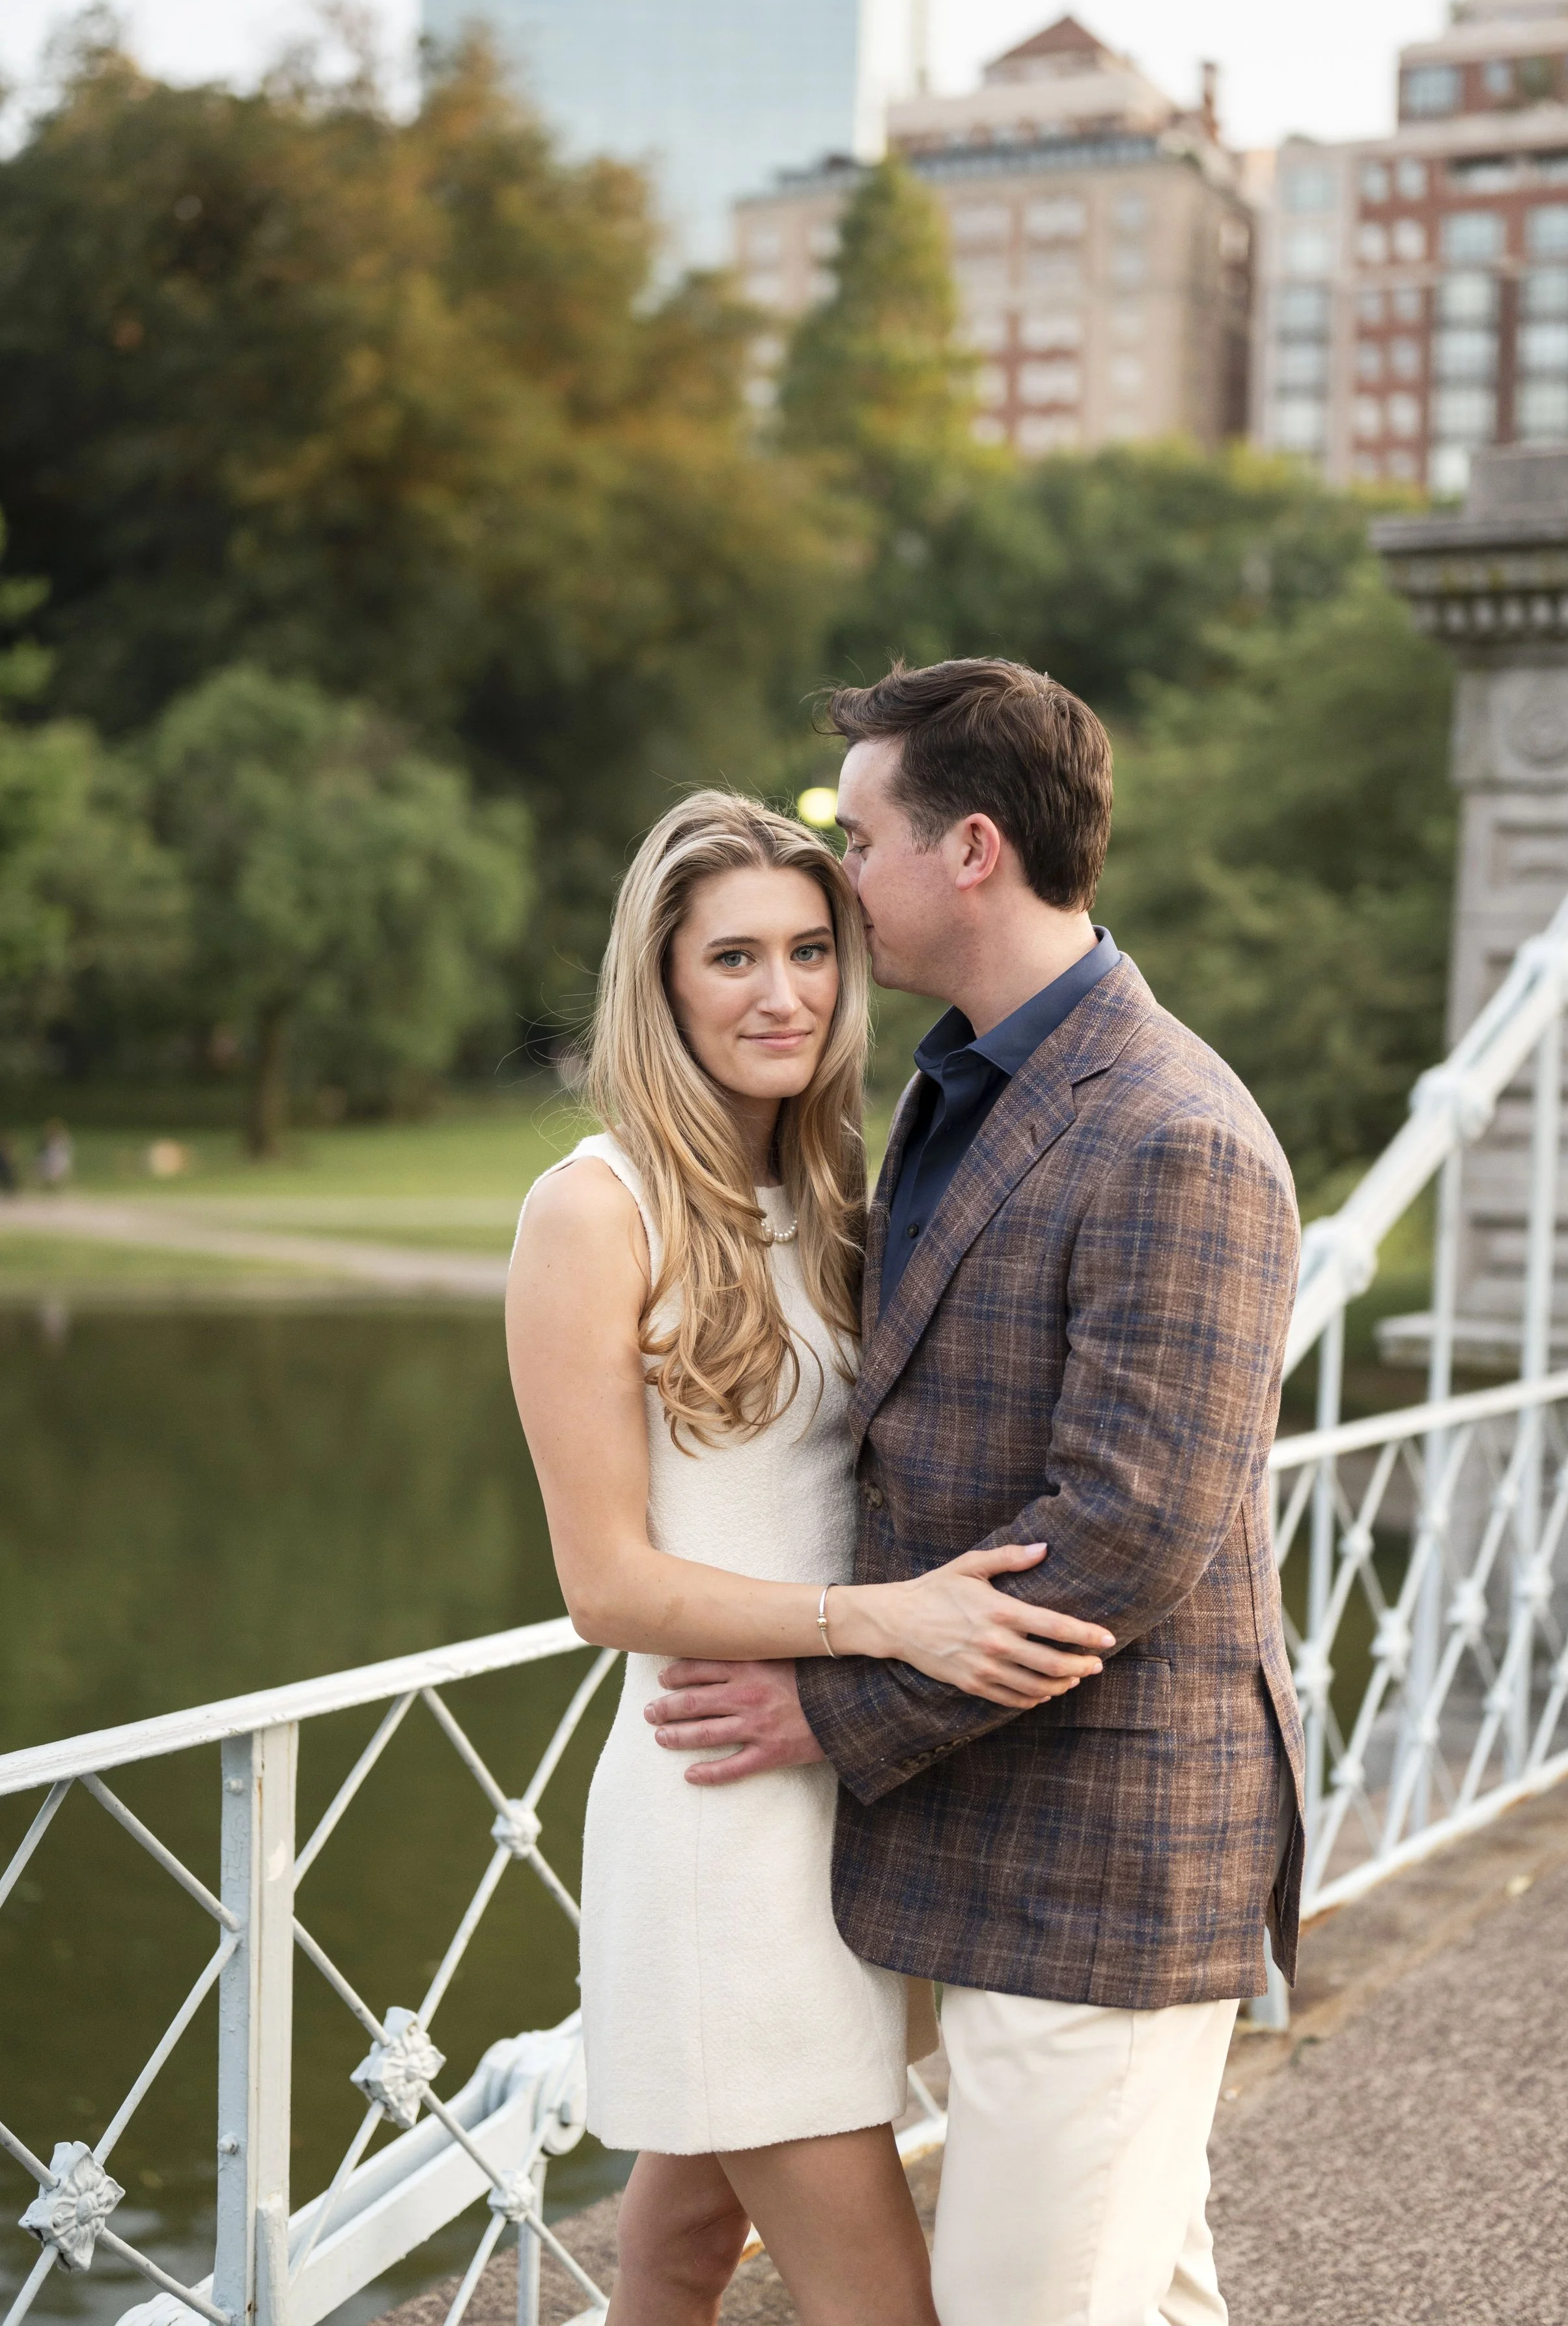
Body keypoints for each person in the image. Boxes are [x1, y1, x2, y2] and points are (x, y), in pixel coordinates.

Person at [644, 660, 1306, 2326]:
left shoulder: (1171, 1131)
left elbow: (1127, 1531)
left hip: (1109, 1849)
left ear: (971, 851)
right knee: (1131, 2296)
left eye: (854, 839)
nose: (837, 878)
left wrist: (827, 1709)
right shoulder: (951, 1089)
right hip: (991, 1832)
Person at [505, 791, 1112, 2326]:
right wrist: (886, 1622)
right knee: (877, 2302)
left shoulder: (840, 1195)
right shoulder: (590, 1211)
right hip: (717, 1815)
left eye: (808, 950)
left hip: (846, 1792)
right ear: (658, 983)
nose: (782, 995)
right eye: (729, 960)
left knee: (681, 2249)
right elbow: (608, 1587)